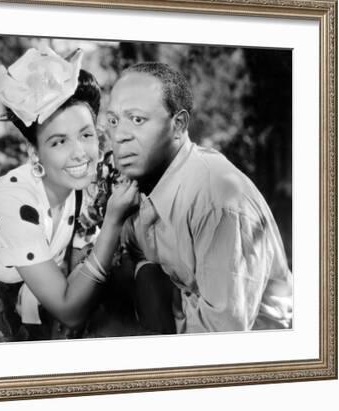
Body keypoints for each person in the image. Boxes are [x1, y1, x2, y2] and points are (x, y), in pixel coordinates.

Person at [0, 47, 139, 332]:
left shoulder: (77, 186)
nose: (79, 153)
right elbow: (71, 311)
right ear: (35, 152)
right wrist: (113, 221)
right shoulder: (13, 202)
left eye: (86, 135)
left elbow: (76, 272)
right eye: (58, 142)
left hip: (2, 293)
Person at [105, 62, 293, 333]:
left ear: (178, 124)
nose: (120, 136)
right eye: (113, 121)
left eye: (137, 119)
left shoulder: (218, 201)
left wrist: (152, 305)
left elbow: (223, 334)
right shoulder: (142, 188)